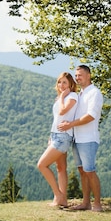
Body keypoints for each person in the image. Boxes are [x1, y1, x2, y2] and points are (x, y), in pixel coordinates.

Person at [58, 64, 104, 212]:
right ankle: (86, 203)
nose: (77, 77)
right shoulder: (81, 94)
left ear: (89, 75)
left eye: (80, 75)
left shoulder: (94, 93)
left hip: (88, 139)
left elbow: (91, 116)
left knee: (90, 171)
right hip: (77, 139)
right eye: (76, 75)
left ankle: (97, 204)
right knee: (82, 171)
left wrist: (70, 124)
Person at [37, 72, 79, 208]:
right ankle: (63, 200)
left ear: (71, 84)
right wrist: (51, 136)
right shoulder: (61, 97)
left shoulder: (72, 96)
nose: (61, 85)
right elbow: (57, 119)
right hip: (56, 135)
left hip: (63, 137)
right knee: (61, 168)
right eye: (59, 82)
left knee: (42, 165)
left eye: (65, 82)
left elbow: (62, 111)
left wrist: (61, 97)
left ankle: (58, 195)